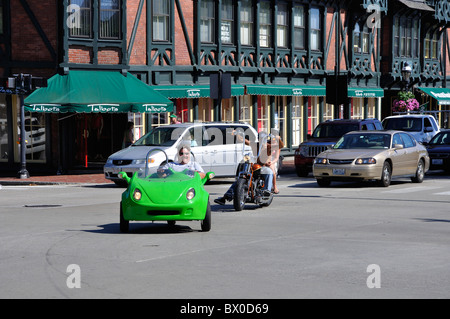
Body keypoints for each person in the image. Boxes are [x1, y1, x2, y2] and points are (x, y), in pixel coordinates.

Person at [214, 131, 277, 205]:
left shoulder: (268, 146)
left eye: (263, 138)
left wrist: (276, 139)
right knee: (241, 178)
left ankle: (266, 191)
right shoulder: (254, 144)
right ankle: (227, 196)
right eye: (260, 138)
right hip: (254, 166)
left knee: (269, 172)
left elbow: (279, 146)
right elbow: (242, 140)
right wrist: (237, 134)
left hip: (264, 166)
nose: (261, 140)